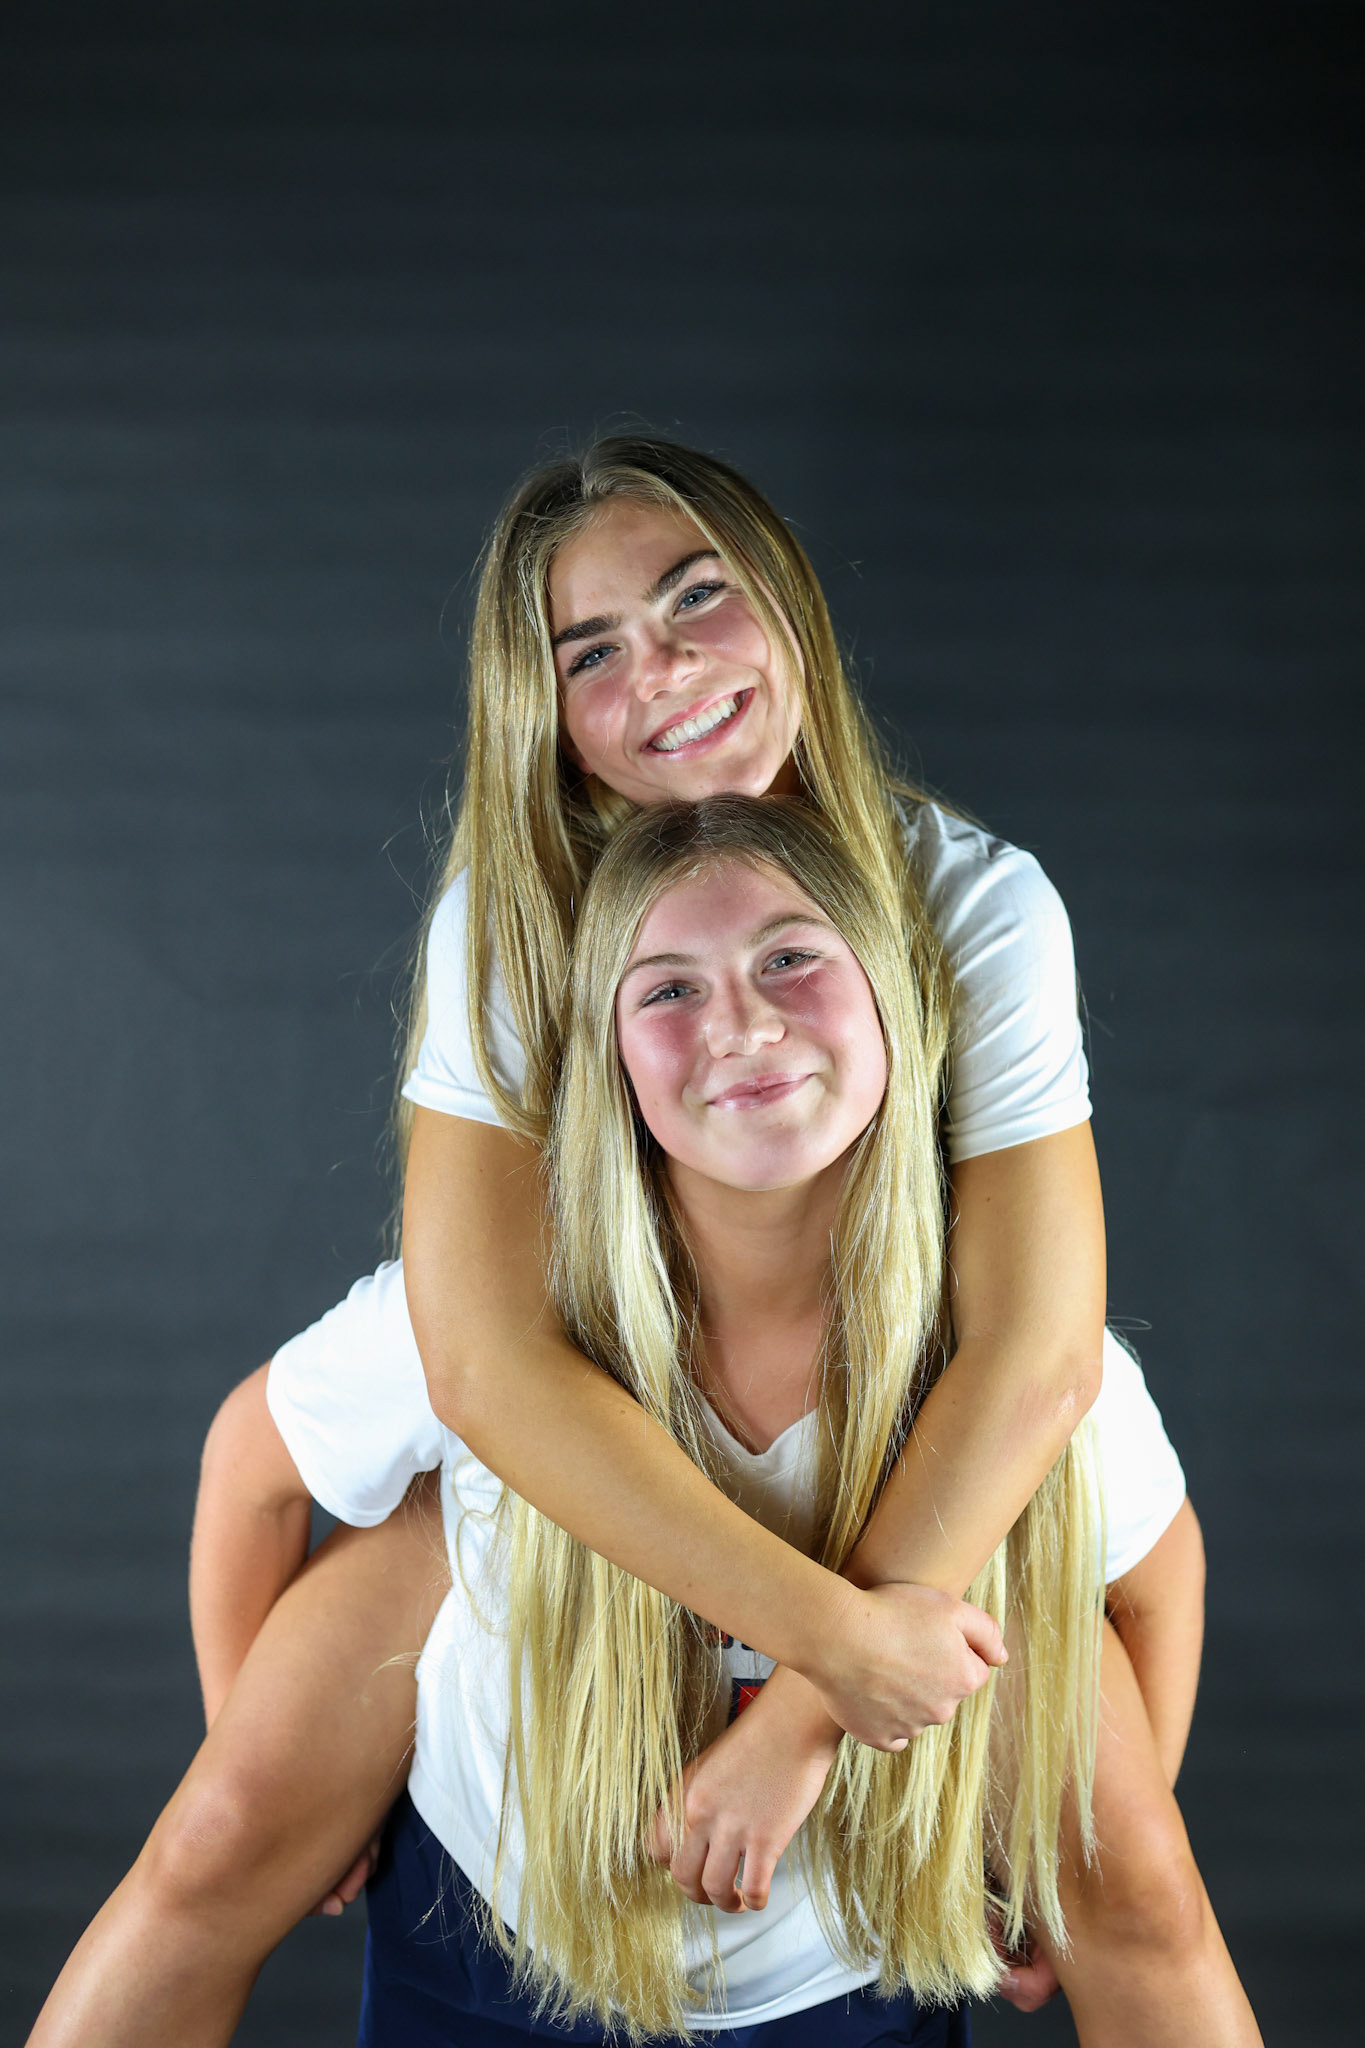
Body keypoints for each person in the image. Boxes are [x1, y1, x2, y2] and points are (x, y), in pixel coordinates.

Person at [25, 440, 1258, 2046]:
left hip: (903, 1454)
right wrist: (835, 1645)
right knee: (225, 1830)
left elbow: (1038, 1366)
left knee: (1140, 1884)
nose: (661, 669)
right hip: (570, 1474)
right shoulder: (509, 922)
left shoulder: (979, 905)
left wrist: (821, 1717)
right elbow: (473, 1367)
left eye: (696, 600)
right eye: (587, 650)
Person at [362, 793, 1101, 2043]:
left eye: (792, 958)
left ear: (894, 997)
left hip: (847, 1964)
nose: (746, 1023)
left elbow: (1155, 1572)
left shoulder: (989, 1355)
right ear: (607, 1056)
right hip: (499, 1936)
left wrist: (1028, 1852)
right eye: (666, 991)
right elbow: (256, 1463)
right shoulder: (493, 1321)